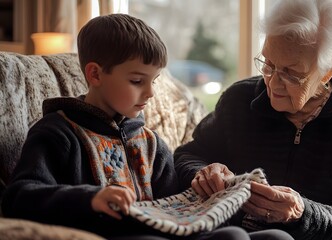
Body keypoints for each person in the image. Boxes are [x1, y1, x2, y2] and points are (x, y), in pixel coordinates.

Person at [1, 14, 288, 240]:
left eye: (155, 81)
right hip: (118, 235)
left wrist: (215, 193)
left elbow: (175, 205)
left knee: (272, 236)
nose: (150, 93)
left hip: (166, 232)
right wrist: (91, 199)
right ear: (95, 74)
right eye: (138, 81)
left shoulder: (151, 143)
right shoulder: (57, 133)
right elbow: (18, 197)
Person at [174, 0, 332, 239]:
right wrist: (202, 172)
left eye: (292, 74)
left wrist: (301, 212)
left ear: (328, 71)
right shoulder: (239, 99)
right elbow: (186, 155)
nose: (272, 83)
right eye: (268, 64)